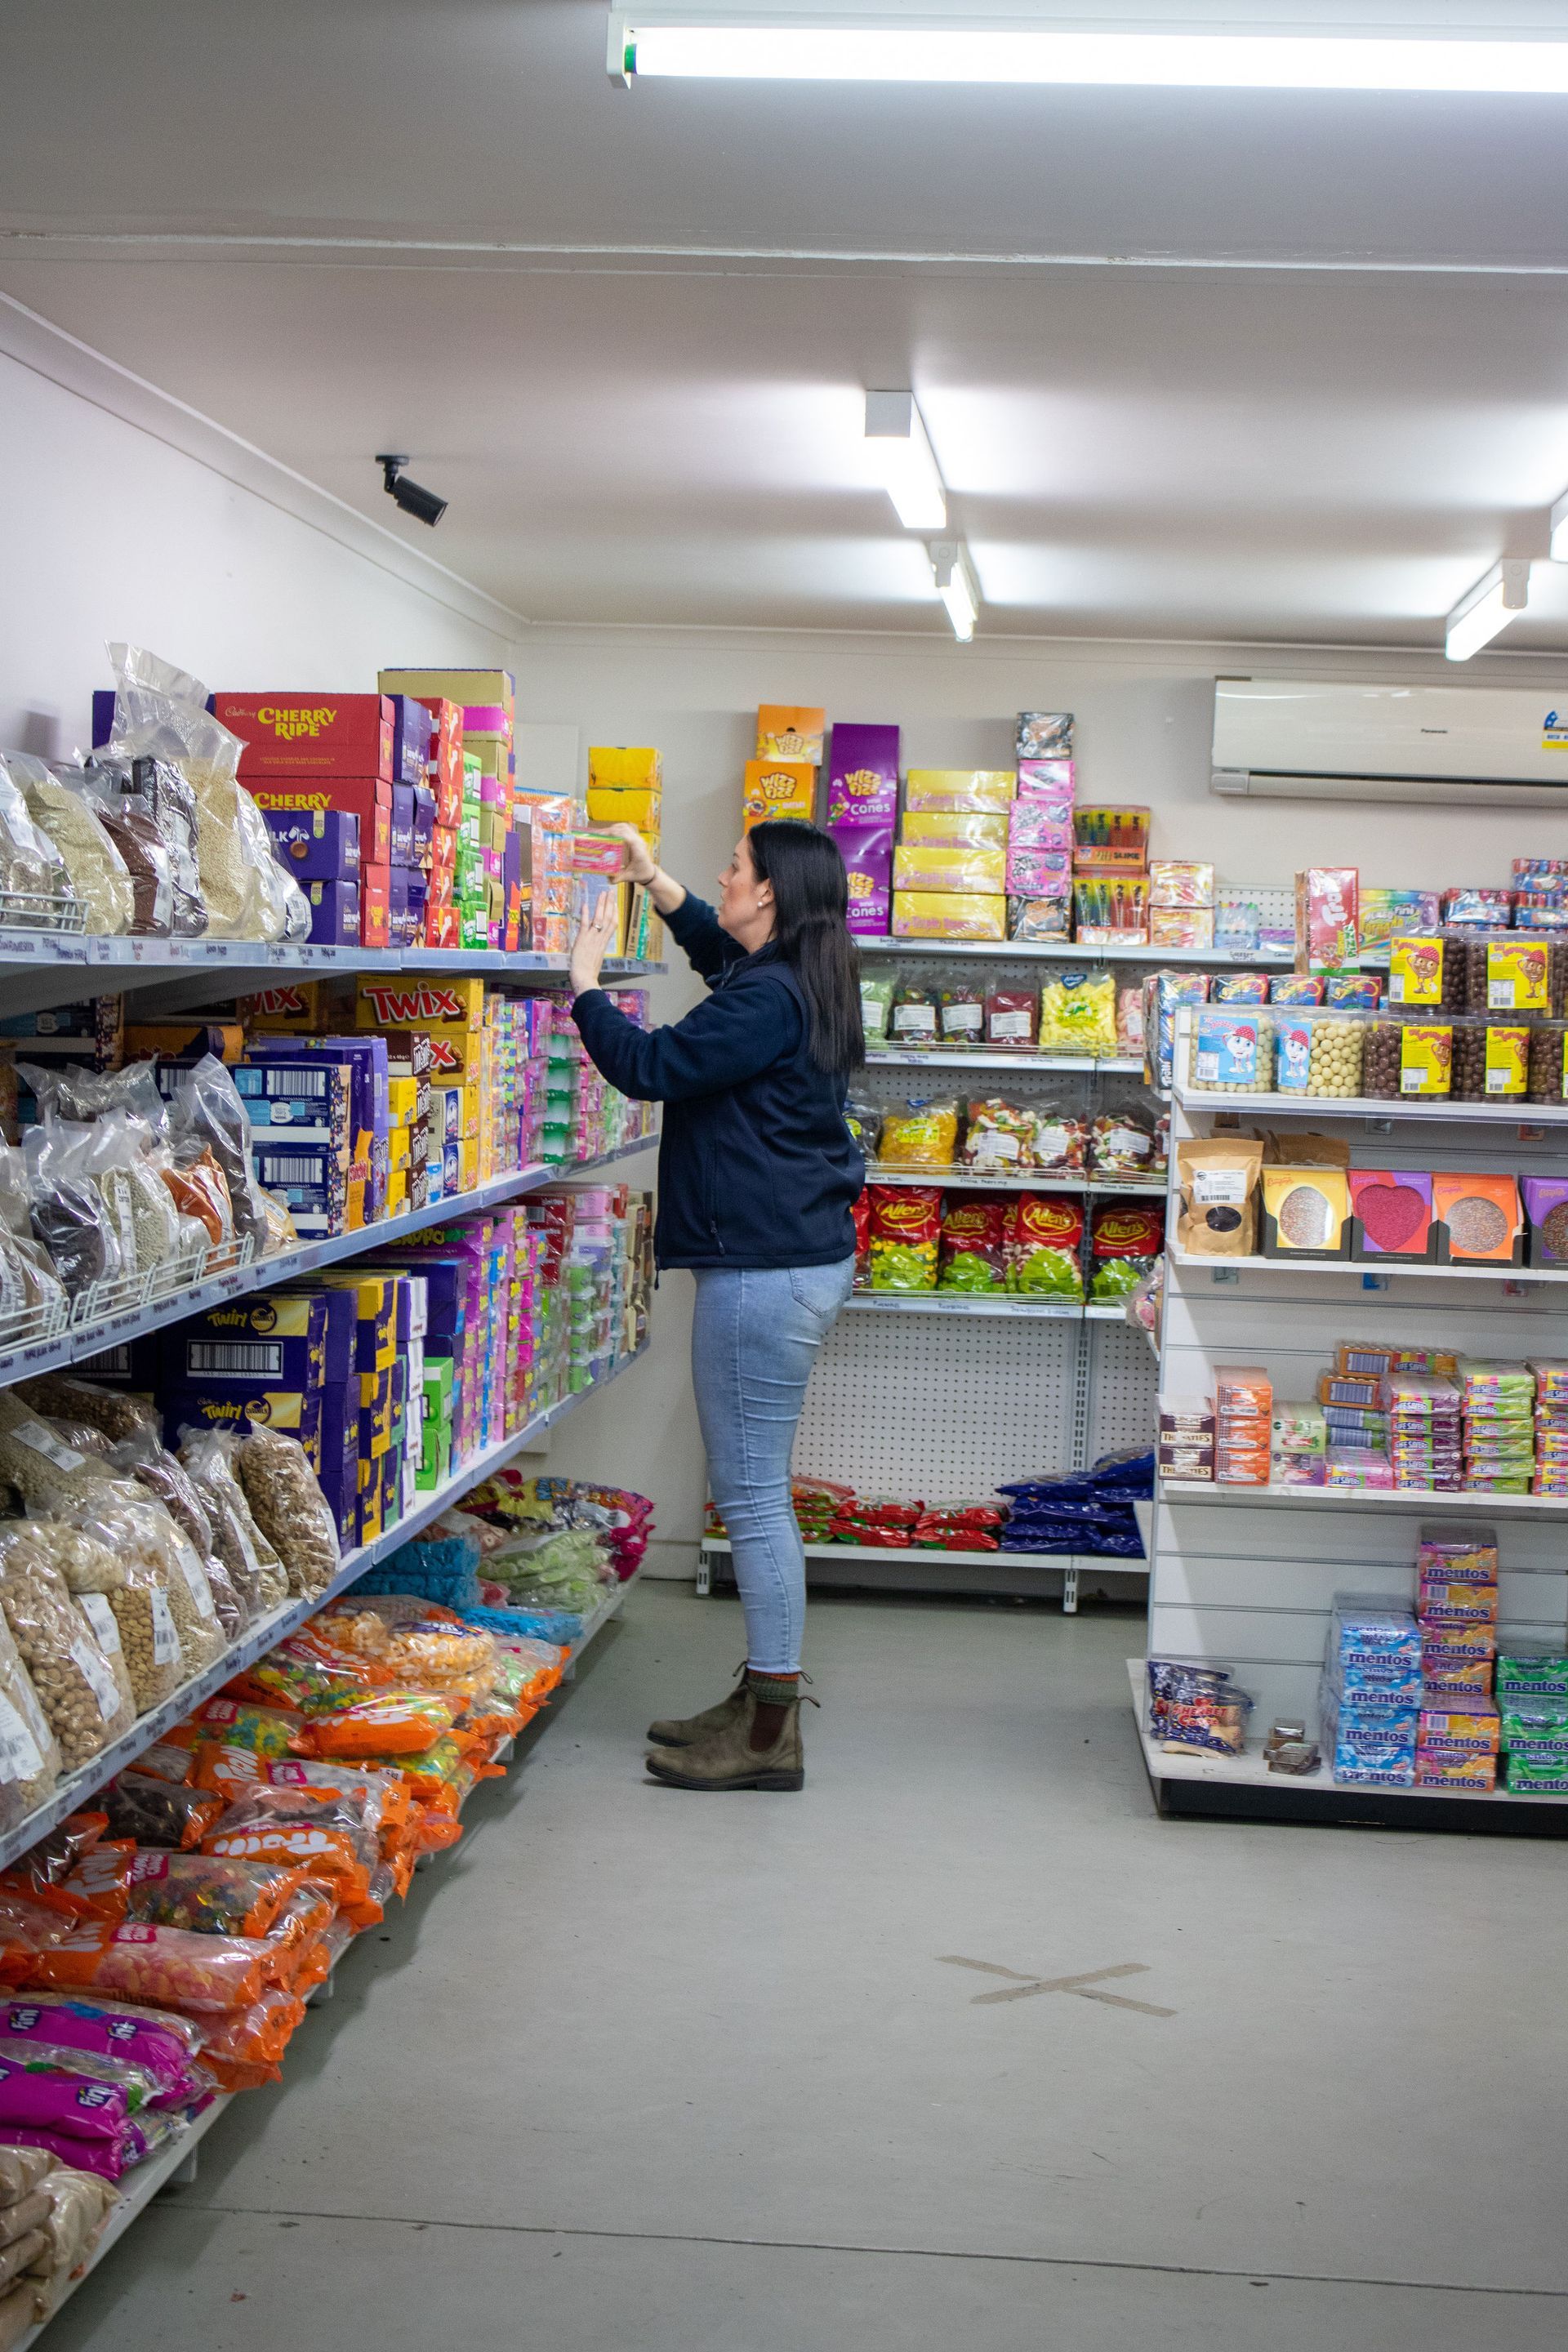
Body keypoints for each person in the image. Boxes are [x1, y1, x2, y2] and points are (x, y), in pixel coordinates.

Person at [568, 818, 865, 1793]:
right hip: (789, 1258)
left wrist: (583, 992)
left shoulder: (769, 996)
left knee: (749, 1497)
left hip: (765, 1271)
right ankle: (759, 1699)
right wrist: (658, 884)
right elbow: (716, 950)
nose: (726, 879)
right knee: (754, 1490)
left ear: (771, 890)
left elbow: (652, 1067)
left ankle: (772, 1728)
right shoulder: (794, 973)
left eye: (734, 868)